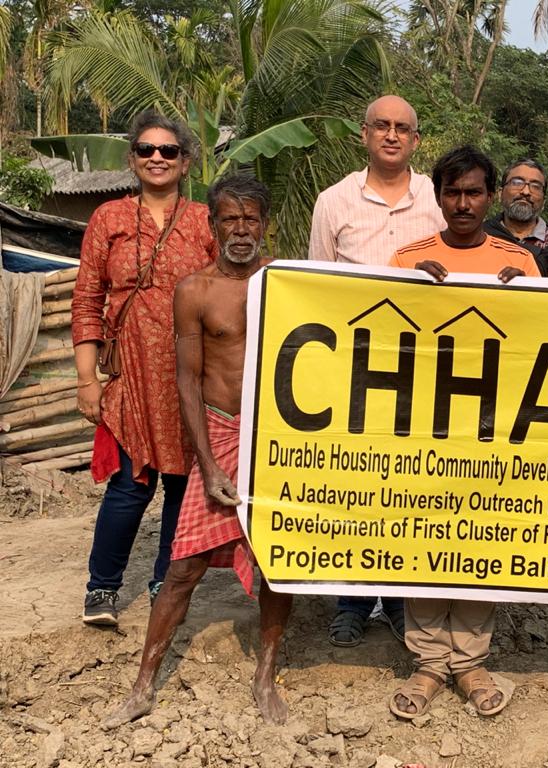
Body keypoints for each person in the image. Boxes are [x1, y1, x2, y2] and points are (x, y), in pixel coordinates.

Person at [102, 173, 291, 729]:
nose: (241, 229)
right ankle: (143, 686)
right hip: (222, 432)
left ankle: (265, 676)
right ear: (213, 225)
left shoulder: (288, 281)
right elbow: (188, 379)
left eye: (251, 219)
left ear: (265, 224)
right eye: (230, 219)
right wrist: (206, 465)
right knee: (183, 567)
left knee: (276, 563)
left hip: (278, 438)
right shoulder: (195, 291)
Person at [387, 145, 539, 720]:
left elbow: (541, 342)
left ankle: (471, 661)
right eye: (452, 192)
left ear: (490, 196)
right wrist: (407, 290)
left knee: (479, 539)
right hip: (422, 429)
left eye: (474, 192)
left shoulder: (518, 262)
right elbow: (381, 339)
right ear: (438, 196)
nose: (463, 203)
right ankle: (428, 663)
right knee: (424, 536)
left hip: (491, 430)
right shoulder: (407, 259)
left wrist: (523, 298)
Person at [308, 94, 444, 648]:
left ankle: (402, 601)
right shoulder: (333, 201)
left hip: (422, 368)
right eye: (381, 126)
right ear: (363, 134)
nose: (391, 135)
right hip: (354, 366)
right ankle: (352, 601)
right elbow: (316, 286)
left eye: (402, 128)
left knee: (410, 484)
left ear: (415, 140)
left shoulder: (437, 197)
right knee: (358, 485)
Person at [73, 109, 217, 625]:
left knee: (182, 484)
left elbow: (228, 290)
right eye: (146, 150)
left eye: (168, 150)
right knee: (129, 487)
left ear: (185, 161)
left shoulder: (205, 221)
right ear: (132, 159)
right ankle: (102, 587)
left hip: (191, 375)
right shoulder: (108, 218)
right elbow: (87, 300)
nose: (157, 158)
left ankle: (165, 581)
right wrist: (87, 380)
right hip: (131, 375)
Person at [483, 158, 548, 278]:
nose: (526, 191)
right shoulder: (482, 234)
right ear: (500, 194)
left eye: (535, 186)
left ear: (544, 202)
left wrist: (525, 283)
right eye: (517, 182)